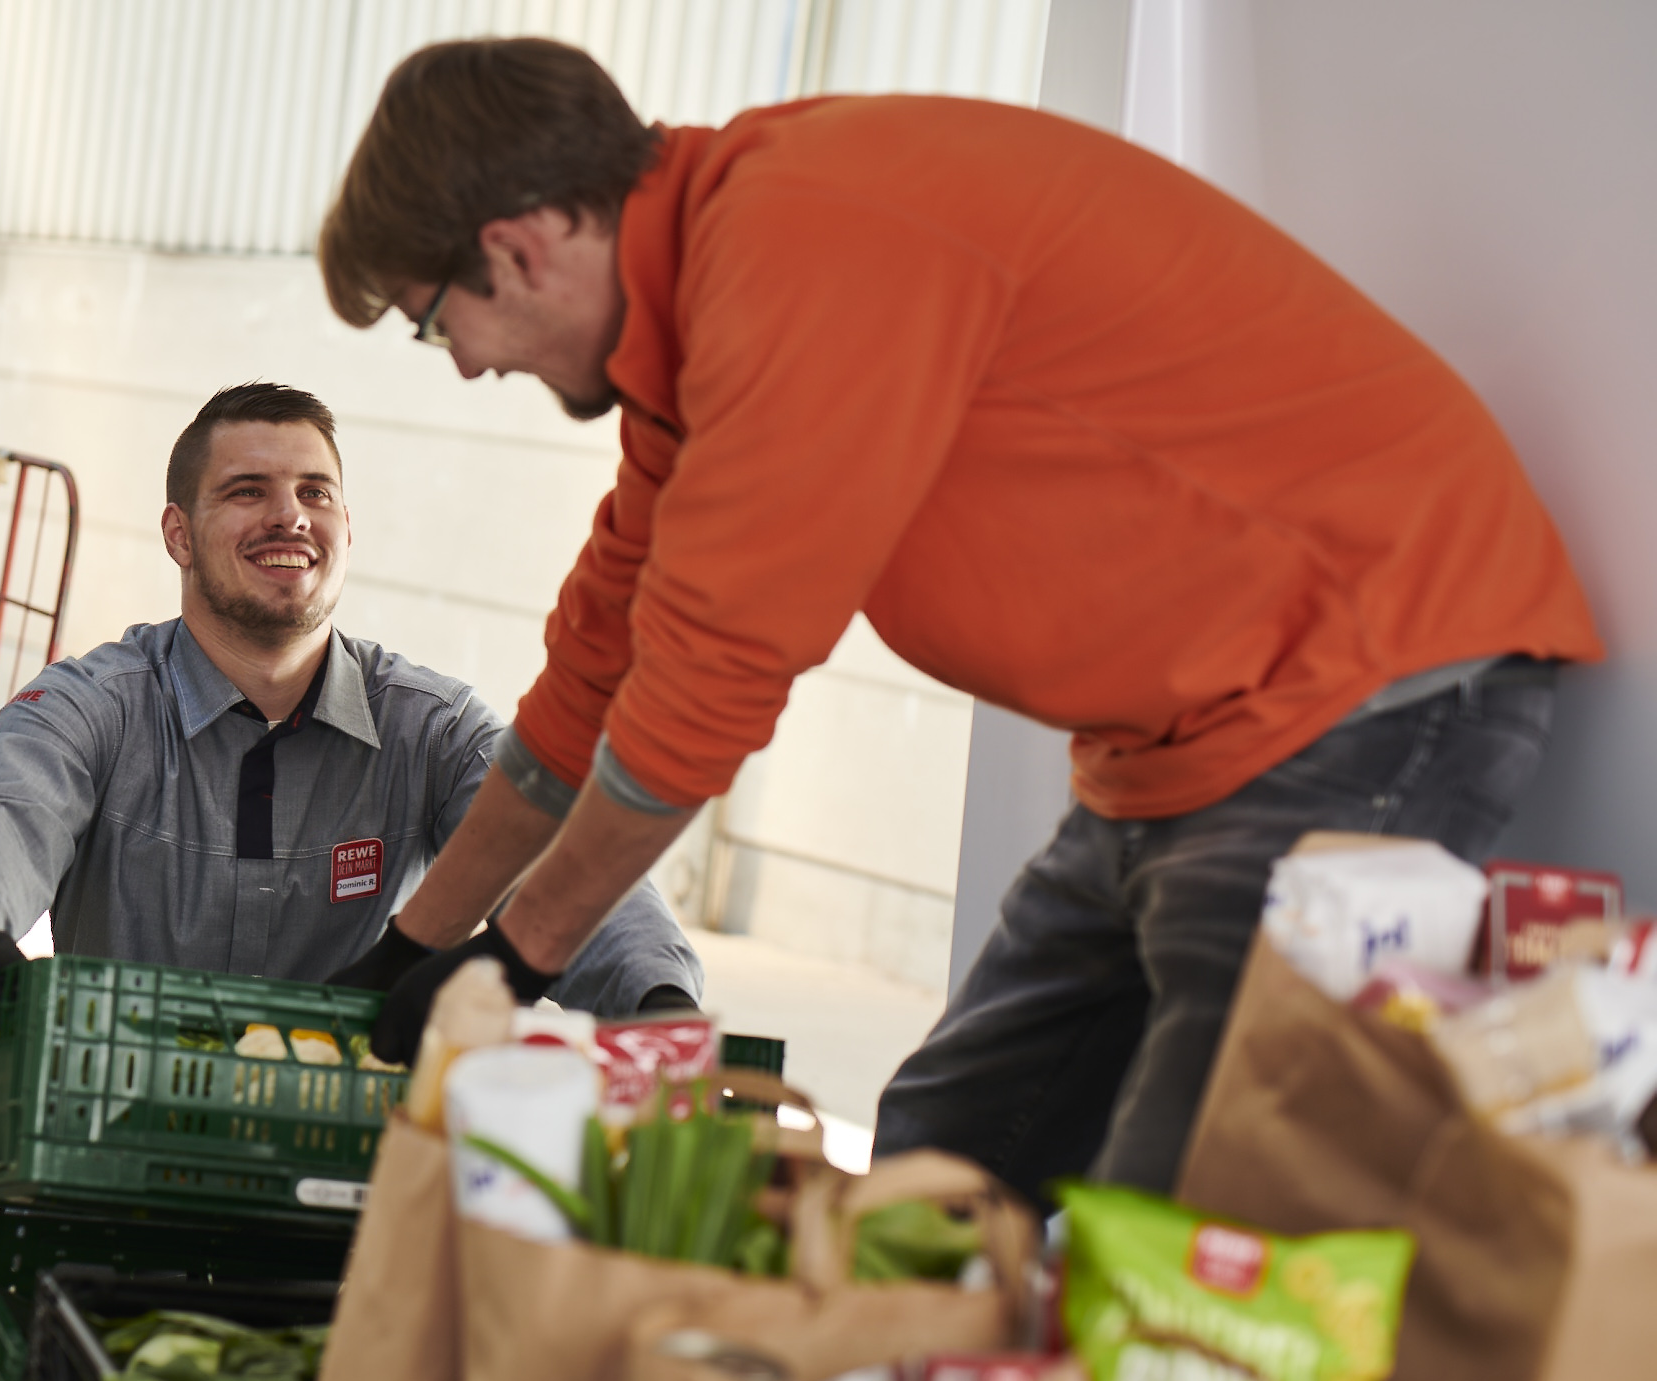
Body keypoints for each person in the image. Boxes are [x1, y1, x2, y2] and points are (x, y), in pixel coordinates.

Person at [313, 40, 1602, 1196]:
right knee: (938, 1163)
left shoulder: (796, 241)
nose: (470, 364)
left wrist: (518, 960)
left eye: (439, 325)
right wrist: (415, 945)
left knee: (1181, 1196)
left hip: (1362, 682)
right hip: (1184, 745)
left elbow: (706, 689)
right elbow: (597, 668)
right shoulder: (694, 315)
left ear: (521, 246)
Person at [0, 381, 702, 1046]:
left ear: (346, 529)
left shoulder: (433, 730)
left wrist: (657, 995)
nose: (291, 516)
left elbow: (555, 854)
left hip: (351, 1167)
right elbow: (3, 813)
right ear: (179, 533)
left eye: (314, 493)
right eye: (248, 492)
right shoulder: (92, 708)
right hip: (109, 1144)